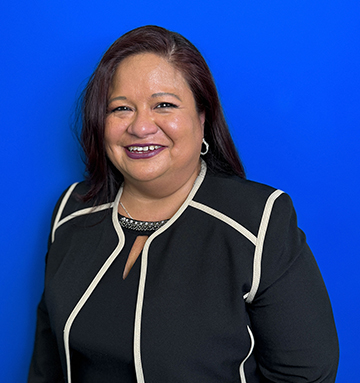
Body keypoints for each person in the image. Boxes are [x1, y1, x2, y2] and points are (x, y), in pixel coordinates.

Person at [28, 25, 339, 383]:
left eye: (164, 105)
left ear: (202, 117)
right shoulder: (72, 211)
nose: (141, 126)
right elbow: (46, 364)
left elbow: (306, 374)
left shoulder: (259, 220)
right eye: (121, 108)